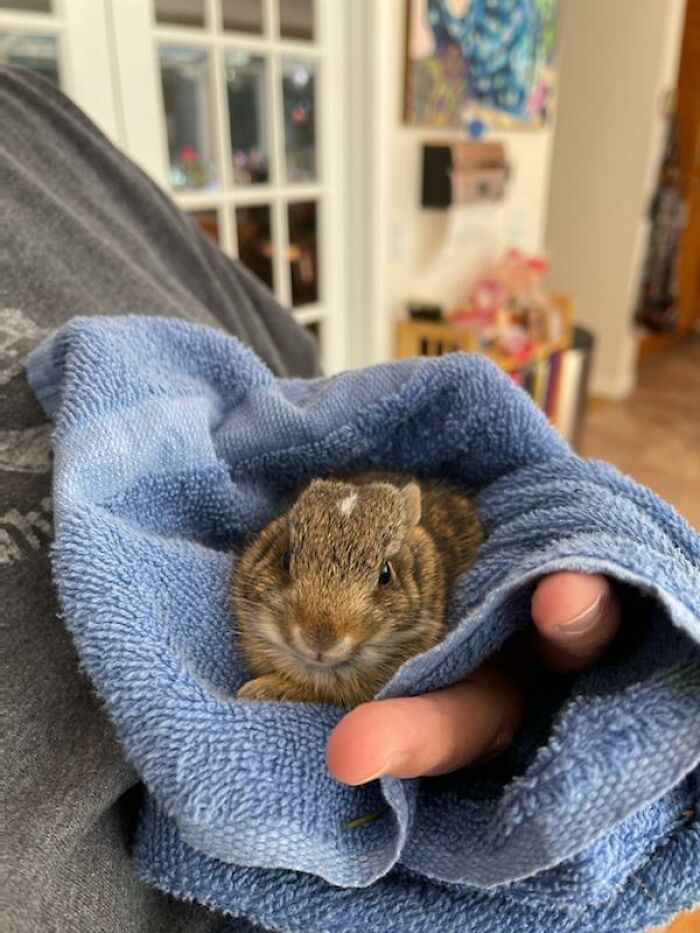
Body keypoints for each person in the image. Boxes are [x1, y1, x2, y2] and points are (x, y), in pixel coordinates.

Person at [0, 68, 621, 933]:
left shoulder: (34, 115)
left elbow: (305, 389)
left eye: (375, 585)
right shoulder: (267, 555)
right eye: (288, 562)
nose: (322, 628)